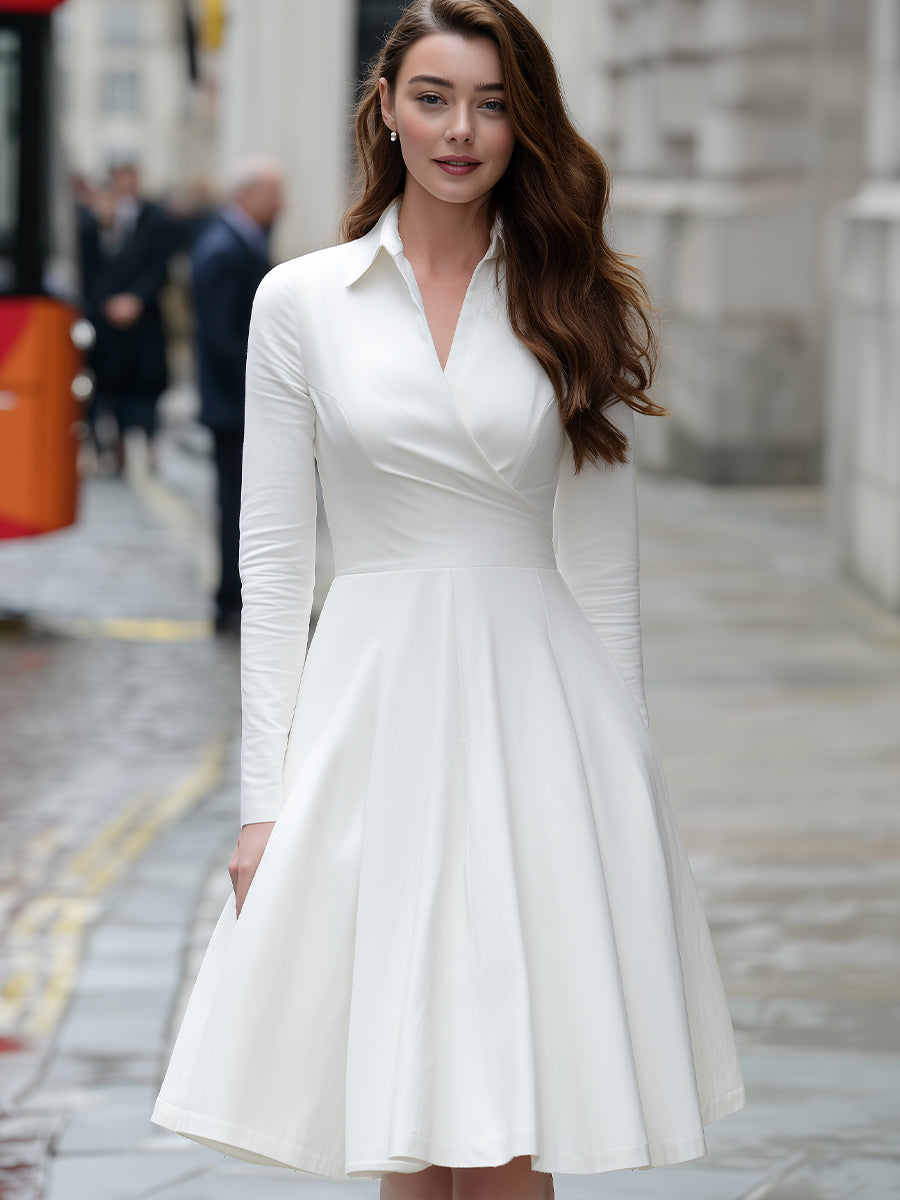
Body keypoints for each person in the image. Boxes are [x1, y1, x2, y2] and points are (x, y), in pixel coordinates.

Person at [152, 3, 745, 1197]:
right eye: (433, 97)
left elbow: (605, 578)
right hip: (369, 721)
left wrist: (630, 792)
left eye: (490, 103)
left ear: (524, 124)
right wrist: (264, 803)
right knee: (402, 1108)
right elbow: (274, 571)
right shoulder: (302, 302)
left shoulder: (572, 301)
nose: (460, 130)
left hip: (539, 723)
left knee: (509, 1113)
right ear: (386, 107)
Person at [190, 159, 285, 634]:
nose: (282, 204)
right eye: (275, 193)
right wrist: (271, 384)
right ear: (248, 195)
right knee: (238, 507)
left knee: (247, 506)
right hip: (235, 406)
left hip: (236, 403)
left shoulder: (237, 242)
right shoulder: (224, 249)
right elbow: (223, 338)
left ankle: (241, 597)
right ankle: (232, 599)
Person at [79, 162, 174, 472]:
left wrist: (136, 300)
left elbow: (160, 266)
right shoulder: (96, 220)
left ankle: (147, 442)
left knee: (145, 387)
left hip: (143, 321)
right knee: (111, 386)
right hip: (109, 325)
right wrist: (107, 303)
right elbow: (89, 269)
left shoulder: (155, 218)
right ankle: (115, 446)